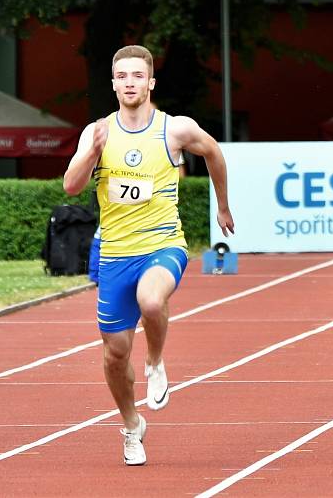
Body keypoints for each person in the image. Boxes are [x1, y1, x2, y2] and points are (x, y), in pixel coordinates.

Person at [63, 45, 235, 465]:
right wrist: (91, 152)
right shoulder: (97, 131)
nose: (129, 83)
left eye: (137, 76)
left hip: (162, 243)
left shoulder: (173, 129)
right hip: (116, 254)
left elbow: (213, 151)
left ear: (151, 82)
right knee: (115, 353)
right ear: (113, 83)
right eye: (121, 76)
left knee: (152, 300)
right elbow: (71, 186)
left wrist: (223, 205)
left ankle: (156, 361)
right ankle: (131, 425)